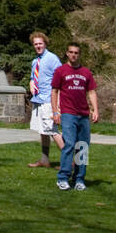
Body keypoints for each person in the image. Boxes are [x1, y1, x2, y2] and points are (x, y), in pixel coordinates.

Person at [51, 43, 98, 192]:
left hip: (83, 114)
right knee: (70, 144)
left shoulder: (86, 73)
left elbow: (91, 92)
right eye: (71, 52)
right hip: (68, 113)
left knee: (82, 146)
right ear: (67, 53)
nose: (73, 55)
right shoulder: (61, 71)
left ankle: (79, 179)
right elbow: (55, 91)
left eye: (76, 53)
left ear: (79, 54)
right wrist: (55, 111)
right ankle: (63, 178)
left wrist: (95, 110)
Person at [27, 30, 64, 168]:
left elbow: (61, 78)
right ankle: (44, 160)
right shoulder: (35, 61)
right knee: (43, 131)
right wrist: (31, 83)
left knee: (52, 131)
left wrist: (58, 103)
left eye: (40, 43)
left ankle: (69, 162)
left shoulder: (52, 58)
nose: (38, 46)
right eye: (35, 44)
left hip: (49, 101)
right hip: (38, 100)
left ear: (45, 43)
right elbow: (33, 77)